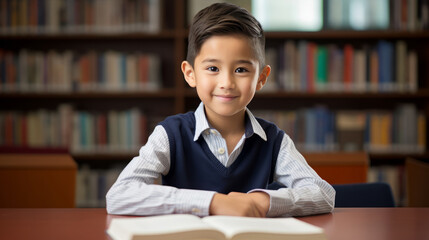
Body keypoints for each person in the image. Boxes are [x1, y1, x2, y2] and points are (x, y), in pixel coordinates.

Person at [106, 2, 335, 218]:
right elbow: (119, 195)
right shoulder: (170, 134)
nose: (227, 82)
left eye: (242, 69)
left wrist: (260, 202)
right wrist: (213, 203)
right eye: (213, 68)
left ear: (261, 78)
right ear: (190, 74)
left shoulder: (274, 141)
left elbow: (323, 194)